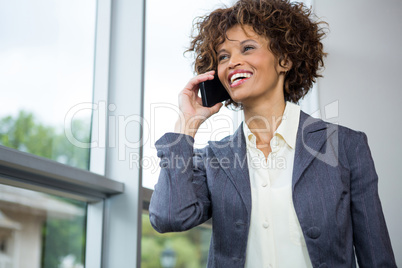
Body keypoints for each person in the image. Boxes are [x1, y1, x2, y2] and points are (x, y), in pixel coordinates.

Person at [149, 0, 397, 267]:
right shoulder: (213, 158)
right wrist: (186, 125)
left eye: (248, 48)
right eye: (223, 56)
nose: (233, 62)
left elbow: (376, 255)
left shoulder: (346, 146)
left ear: (284, 59)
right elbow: (169, 218)